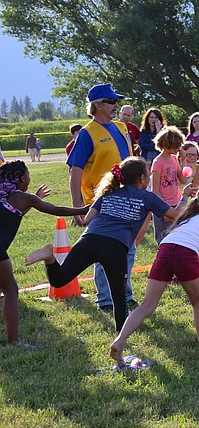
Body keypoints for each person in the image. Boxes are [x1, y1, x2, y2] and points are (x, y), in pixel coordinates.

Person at [26, 157, 179, 334]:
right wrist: (191, 204)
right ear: (142, 178)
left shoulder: (107, 194)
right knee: (119, 297)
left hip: (89, 240)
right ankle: (121, 336)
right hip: (115, 247)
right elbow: (174, 215)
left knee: (59, 280)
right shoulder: (147, 197)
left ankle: (49, 257)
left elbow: (86, 220)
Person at [108, 182, 199, 366]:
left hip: (165, 249)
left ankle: (120, 341)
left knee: (147, 304)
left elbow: (197, 252)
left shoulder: (189, 217)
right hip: (185, 254)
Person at [0, 161, 88, 346]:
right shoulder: (23, 198)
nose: (30, 179)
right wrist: (84, 209)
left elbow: (11, 215)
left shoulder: (9, 199)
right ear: (22, 179)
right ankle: (13, 341)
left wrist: (34, 200)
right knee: (10, 291)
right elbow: (57, 210)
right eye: (28, 175)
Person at [67, 83, 135, 315]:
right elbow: (75, 171)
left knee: (128, 248)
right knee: (104, 248)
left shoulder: (121, 128)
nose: (116, 105)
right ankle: (106, 299)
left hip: (128, 198)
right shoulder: (87, 133)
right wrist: (77, 207)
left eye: (116, 101)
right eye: (112, 101)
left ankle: (125, 294)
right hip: (101, 201)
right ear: (97, 105)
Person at [149, 126, 191, 246]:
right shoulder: (158, 163)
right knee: (164, 239)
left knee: (177, 236)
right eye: (176, 146)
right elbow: (155, 191)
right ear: (167, 145)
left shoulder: (173, 159)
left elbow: (183, 179)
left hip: (176, 203)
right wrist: (165, 210)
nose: (178, 149)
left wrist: (182, 161)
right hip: (163, 205)